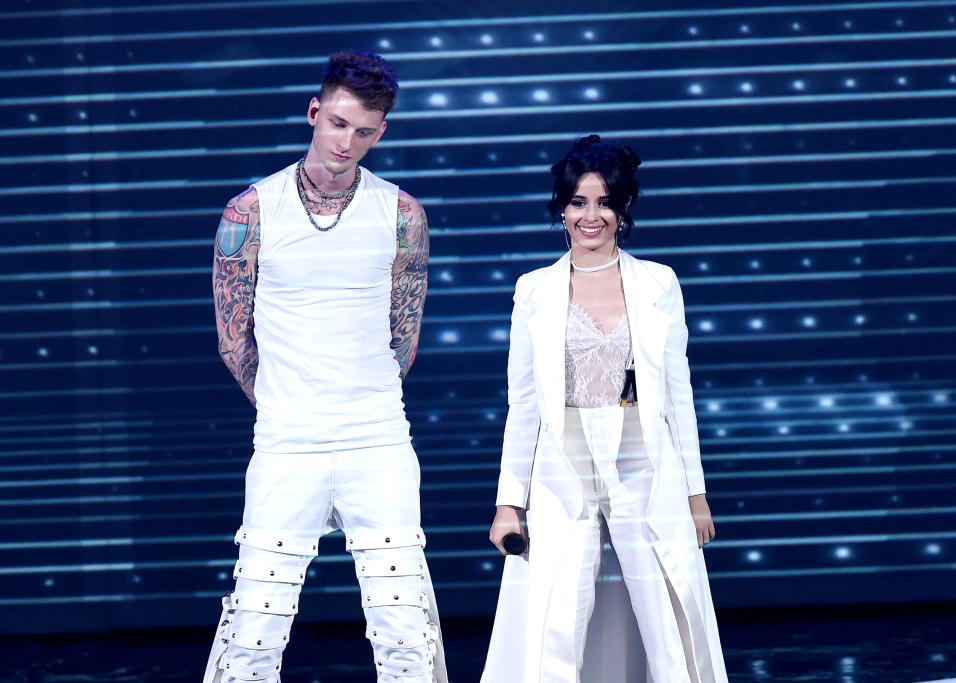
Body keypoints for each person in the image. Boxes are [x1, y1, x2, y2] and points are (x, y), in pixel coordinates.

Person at [203, 50, 447, 683]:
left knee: (405, 632)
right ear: (314, 112)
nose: (346, 142)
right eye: (338, 124)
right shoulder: (251, 211)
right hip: (288, 440)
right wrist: (286, 401)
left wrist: (359, 394)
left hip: (377, 437)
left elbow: (404, 336)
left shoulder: (402, 214)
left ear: (381, 132)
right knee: (254, 631)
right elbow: (233, 339)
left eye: (363, 131)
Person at [482, 135, 727, 683]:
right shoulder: (534, 290)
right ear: (561, 207)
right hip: (560, 464)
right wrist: (508, 503)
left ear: (625, 206)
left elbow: (678, 394)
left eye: (604, 203)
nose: (590, 217)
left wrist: (696, 493)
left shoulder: (657, 282)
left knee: (666, 609)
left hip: (642, 457)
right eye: (578, 202)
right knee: (556, 617)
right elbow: (523, 404)